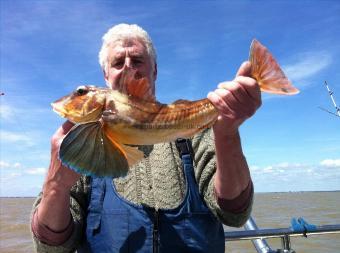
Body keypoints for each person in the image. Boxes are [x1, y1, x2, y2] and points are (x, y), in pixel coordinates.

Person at [31, 24, 260, 253]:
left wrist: (227, 134)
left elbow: (234, 213)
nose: (129, 69)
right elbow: (51, 248)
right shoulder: (83, 143)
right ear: (106, 75)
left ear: (155, 71)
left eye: (138, 60)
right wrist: (56, 186)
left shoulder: (197, 133)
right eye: (118, 63)